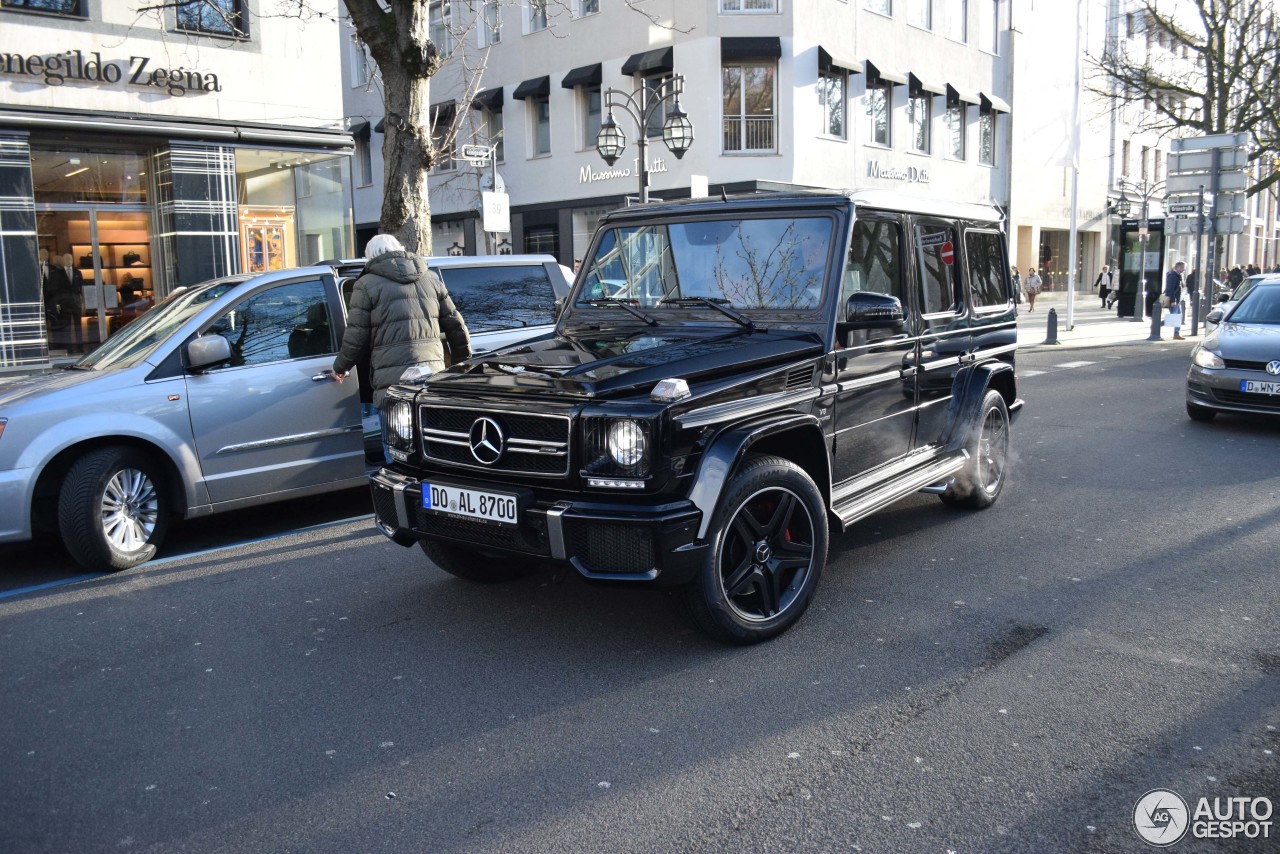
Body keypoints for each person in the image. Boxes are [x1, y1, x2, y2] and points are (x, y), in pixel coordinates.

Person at [332, 233, 471, 411]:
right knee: (430, 429)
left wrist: (341, 367)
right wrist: (461, 365)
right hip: (432, 369)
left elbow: (356, 335)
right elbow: (456, 326)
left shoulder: (365, 284)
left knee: (396, 432)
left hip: (392, 377)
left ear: (370, 256)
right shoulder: (431, 278)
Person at [1164, 261, 1185, 340]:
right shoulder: (1173, 275)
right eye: (1182, 267)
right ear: (1178, 267)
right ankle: (1156, 326)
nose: (1183, 269)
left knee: (1178, 316)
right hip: (1173, 300)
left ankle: (1176, 334)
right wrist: (1173, 300)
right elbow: (1170, 289)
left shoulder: (1177, 275)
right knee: (1174, 317)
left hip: (1176, 300)